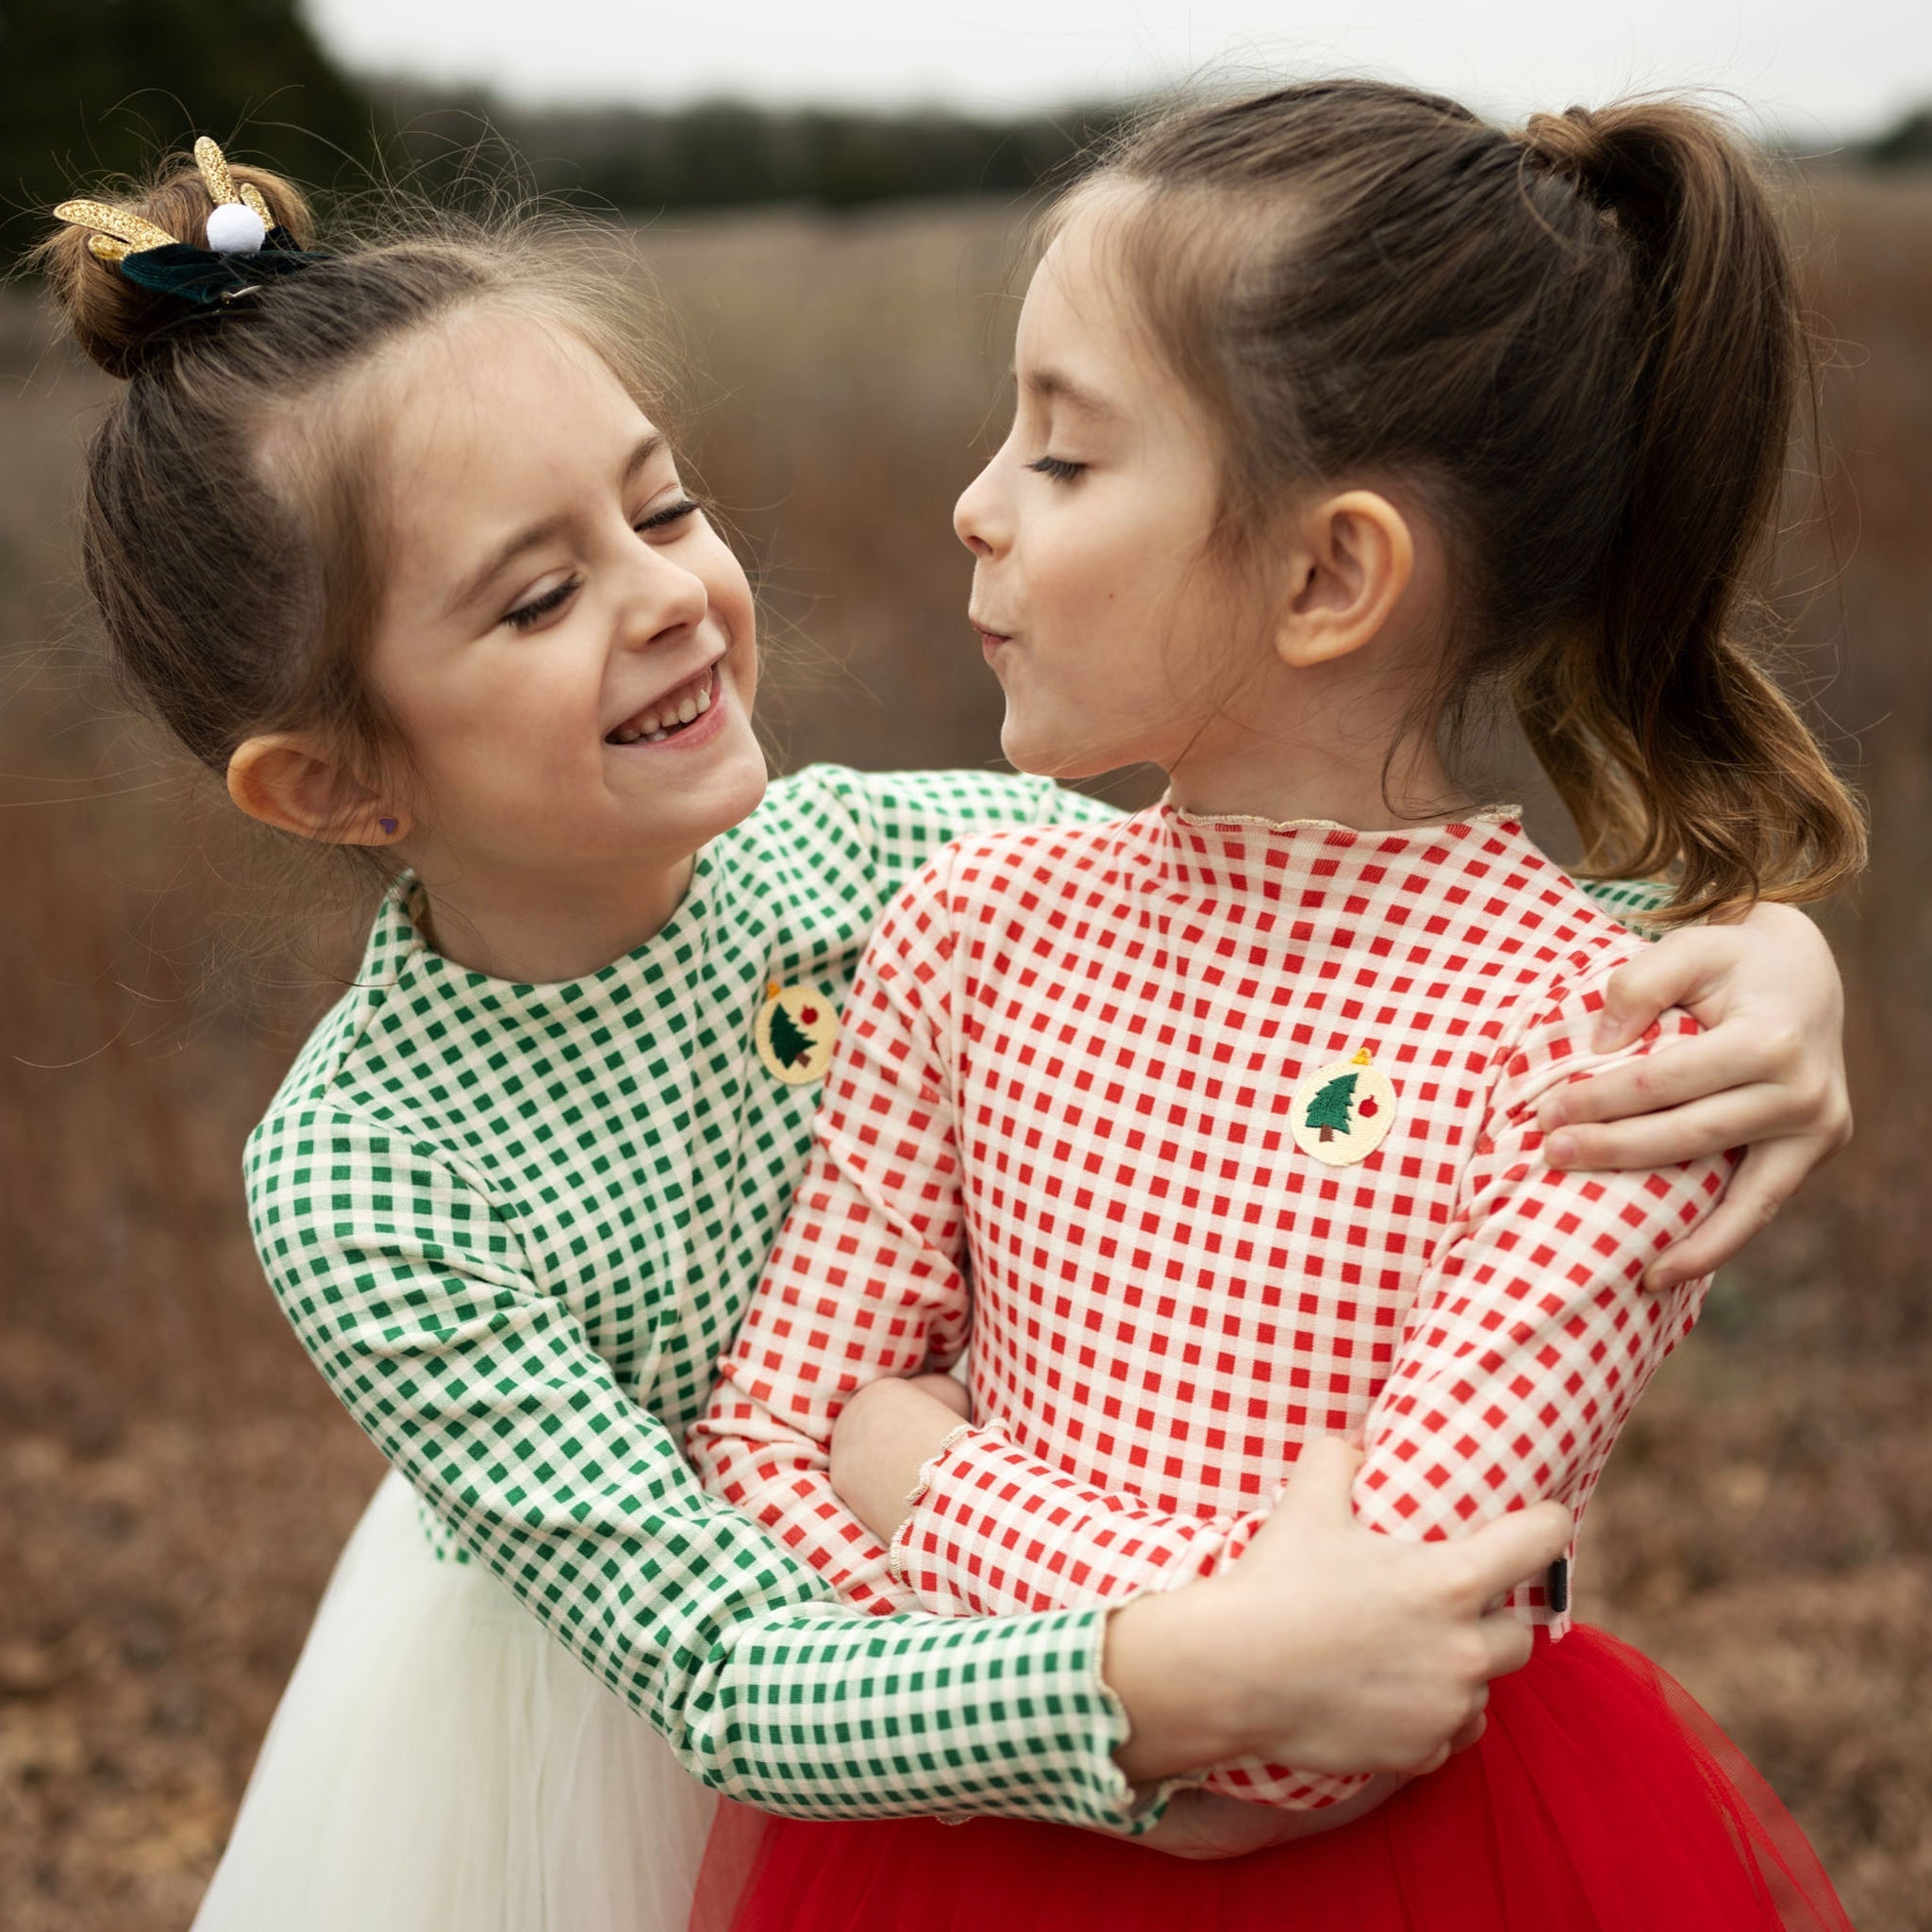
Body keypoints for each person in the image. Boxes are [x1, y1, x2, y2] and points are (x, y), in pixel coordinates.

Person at [37, 130, 1845, 1932]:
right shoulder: (368, 1174)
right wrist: (1176, 1669)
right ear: (334, 783)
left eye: (661, 510)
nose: (666, 595)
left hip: (973, 1605)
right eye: (538, 596)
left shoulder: (904, 864)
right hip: (644, 1715)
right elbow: (725, 1663)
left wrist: (1763, 957)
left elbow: (1351, 929)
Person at [691, 83, 1863, 1929]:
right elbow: (769, 1445)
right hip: (948, 1853)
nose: (975, 505)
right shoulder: (971, 927)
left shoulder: (1608, 1060)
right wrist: (1201, 1641)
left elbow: (1340, 1709)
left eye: (1063, 456)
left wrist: (931, 1484)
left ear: (1328, 573)